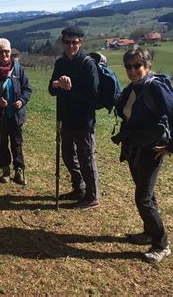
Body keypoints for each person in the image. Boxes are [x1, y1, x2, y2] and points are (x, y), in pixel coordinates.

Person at [113, 48, 173, 263]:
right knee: (147, 194)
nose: (133, 70)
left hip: (152, 151)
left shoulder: (155, 88)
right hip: (136, 148)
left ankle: (161, 245)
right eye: (129, 66)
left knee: (143, 198)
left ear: (148, 65)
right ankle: (148, 233)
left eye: (138, 66)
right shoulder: (133, 88)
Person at [48, 26, 100, 209]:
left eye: (74, 42)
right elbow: (51, 89)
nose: (70, 45)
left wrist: (70, 89)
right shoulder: (61, 63)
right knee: (68, 155)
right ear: (63, 43)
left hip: (84, 120)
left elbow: (93, 96)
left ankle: (92, 196)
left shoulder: (87, 64)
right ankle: (79, 188)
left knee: (85, 157)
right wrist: (56, 84)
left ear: (81, 42)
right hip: (66, 118)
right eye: (67, 42)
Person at [0, 38, 32, 185]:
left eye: (6, 51)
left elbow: (27, 89)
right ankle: (5, 169)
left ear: (11, 52)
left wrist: (22, 101)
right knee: (2, 143)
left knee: (17, 143)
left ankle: (19, 170)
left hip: (16, 115)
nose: (4, 54)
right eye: (0, 52)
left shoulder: (18, 69)